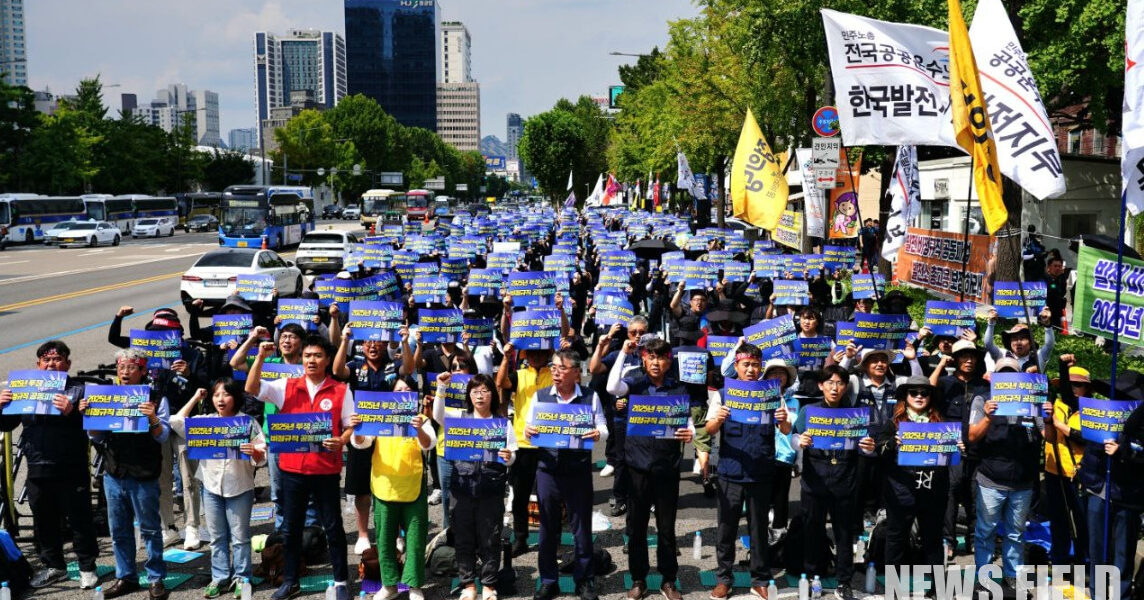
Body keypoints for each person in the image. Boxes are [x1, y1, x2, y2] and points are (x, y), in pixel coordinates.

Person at [246, 335, 355, 600]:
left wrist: (341, 439)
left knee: (333, 526)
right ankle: (290, 580)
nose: (311, 360)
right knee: (290, 528)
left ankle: (341, 581)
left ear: (327, 360)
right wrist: (260, 356)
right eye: (307, 356)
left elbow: (350, 424)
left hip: (325, 470)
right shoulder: (287, 385)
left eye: (317, 356)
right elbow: (251, 387)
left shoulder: (341, 390)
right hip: (292, 470)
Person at [0, 341, 100, 589]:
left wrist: (73, 413)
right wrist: (1, 407)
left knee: (79, 520)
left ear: (68, 364)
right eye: (46, 360)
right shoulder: (24, 389)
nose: (51, 364)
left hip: (71, 466)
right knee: (44, 521)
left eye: (57, 359)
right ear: (38, 365)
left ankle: (88, 568)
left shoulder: (79, 391)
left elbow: (96, 426)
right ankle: (54, 566)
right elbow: (7, 426)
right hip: (37, 465)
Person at [82, 349, 172, 600]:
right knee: (119, 530)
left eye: (131, 367)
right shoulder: (106, 396)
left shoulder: (156, 397)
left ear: (143, 371)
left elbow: (163, 435)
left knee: (150, 530)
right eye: (121, 367)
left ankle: (155, 578)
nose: (124, 371)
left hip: (144, 473)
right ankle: (126, 576)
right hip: (114, 472)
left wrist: (152, 417)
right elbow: (96, 436)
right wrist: (89, 416)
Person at [606, 338, 692, 600]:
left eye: (661, 358)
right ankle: (638, 578)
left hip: (667, 467)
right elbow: (612, 387)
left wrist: (688, 432)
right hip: (637, 466)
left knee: (666, 528)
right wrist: (623, 352)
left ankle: (668, 580)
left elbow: (686, 420)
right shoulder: (635, 383)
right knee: (637, 527)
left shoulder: (677, 388)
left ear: (669, 361)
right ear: (644, 359)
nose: (656, 363)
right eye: (651, 357)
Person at [704, 348, 793, 599]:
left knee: (758, 530)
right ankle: (724, 579)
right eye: (746, 365)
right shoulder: (724, 394)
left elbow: (786, 430)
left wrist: (783, 418)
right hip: (730, 473)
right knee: (726, 529)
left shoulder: (771, 394)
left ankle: (760, 579)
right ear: (737, 366)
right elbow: (709, 429)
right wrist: (718, 419)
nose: (751, 370)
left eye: (756, 365)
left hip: (761, 472)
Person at [170, 380, 266, 599]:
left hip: (240, 487)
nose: (221, 400)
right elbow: (175, 422)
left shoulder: (248, 423)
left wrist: (255, 453)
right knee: (217, 537)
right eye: (216, 395)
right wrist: (196, 398)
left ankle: (242, 578)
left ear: (236, 397)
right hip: (211, 488)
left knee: (240, 537)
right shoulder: (205, 422)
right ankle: (220, 577)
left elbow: (261, 455)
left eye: (226, 394)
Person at [526, 350, 607, 600]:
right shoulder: (540, 397)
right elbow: (529, 428)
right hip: (548, 469)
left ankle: (584, 579)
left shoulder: (590, 397)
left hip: (577, 469)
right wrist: (529, 431)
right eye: (554, 367)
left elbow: (603, 428)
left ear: (576, 372)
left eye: (561, 368)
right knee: (548, 527)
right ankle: (549, 580)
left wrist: (597, 434)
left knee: (581, 526)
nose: (556, 371)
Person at [967, 359, 1052, 596]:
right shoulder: (983, 399)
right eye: (1002, 374)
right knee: (985, 531)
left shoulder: (1033, 400)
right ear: (995, 377)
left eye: (1012, 374)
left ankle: (1013, 574)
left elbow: (1050, 437)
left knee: (1016, 533)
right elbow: (972, 436)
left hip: (1023, 481)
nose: (1007, 378)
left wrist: (1047, 418)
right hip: (991, 479)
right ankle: (983, 575)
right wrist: (988, 417)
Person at [349, 375, 435, 600]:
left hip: (413, 487)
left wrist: (419, 430)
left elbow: (429, 444)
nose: (403, 393)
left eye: (407, 390)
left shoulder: (421, 419)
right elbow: (361, 443)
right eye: (398, 390)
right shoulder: (379, 418)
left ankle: (414, 586)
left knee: (415, 539)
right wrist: (358, 428)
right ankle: (389, 585)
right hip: (384, 486)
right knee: (385, 539)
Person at [432, 373, 517, 600]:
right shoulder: (460, 419)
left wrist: (508, 456)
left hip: (491, 490)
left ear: (492, 394)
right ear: (469, 395)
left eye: (485, 391)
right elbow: (438, 415)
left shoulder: (501, 423)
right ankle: (468, 584)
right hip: (462, 488)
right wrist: (441, 387)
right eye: (475, 391)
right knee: (463, 538)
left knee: (491, 538)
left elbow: (512, 454)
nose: (480, 396)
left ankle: (489, 584)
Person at [333, 321, 415, 555]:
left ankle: (397, 533)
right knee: (361, 488)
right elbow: (338, 371)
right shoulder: (355, 364)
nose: (372, 346)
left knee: (392, 483)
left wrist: (405, 342)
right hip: (361, 433)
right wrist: (344, 340)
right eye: (368, 341)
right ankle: (362, 534)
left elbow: (408, 370)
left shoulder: (392, 364)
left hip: (391, 434)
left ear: (383, 343)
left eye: (377, 341)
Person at [793, 365, 874, 600]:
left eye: (839, 383)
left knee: (844, 535)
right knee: (812, 531)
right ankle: (810, 577)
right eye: (830, 383)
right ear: (821, 385)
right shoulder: (808, 411)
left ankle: (843, 581)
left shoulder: (855, 413)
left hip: (845, 482)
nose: (834, 388)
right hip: (814, 481)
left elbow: (865, 446)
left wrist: (868, 448)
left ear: (845, 386)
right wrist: (801, 441)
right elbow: (794, 438)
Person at [873, 376, 951, 588]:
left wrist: (956, 448)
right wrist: (891, 444)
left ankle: (937, 587)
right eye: (913, 393)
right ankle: (893, 585)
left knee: (932, 540)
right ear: (905, 397)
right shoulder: (893, 423)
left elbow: (948, 459)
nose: (919, 397)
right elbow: (878, 451)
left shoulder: (941, 424)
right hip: (901, 492)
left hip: (933, 490)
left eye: (924, 393)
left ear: (930, 397)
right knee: (896, 538)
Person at [928, 340, 987, 561]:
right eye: (964, 356)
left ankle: (974, 539)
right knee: (950, 496)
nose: (969, 360)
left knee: (975, 497)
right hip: (950, 451)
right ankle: (948, 542)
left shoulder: (984, 385)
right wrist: (942, 363)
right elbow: (929, 388)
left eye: (972, 356)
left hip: (977, 450)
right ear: (957, 359)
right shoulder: (945, 382)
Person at [1043, 354, 1089, 567]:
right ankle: (1059, 559)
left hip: (1080, 474)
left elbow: (1085, 439)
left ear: (1086, 388)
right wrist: (1048, 421)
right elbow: (1048, 437)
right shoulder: (1054, 405)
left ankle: (1084, 560)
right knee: (1058, 520)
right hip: (1055, 472)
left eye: (1078, 385)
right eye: (1068, 384)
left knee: (1082, 521)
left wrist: (1061, 425)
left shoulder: (1092, 411)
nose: (1073, 389)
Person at [984, 308, 1055, 373]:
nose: (1018, 342)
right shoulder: (1002, 354)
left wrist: (1047, 325)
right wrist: (991, 323)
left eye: (1023, 338)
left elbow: (1049, 345)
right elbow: (988, 344)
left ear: (1031, 342)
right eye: (1014, 339)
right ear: (1010, 342)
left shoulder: (1038, 356)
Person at [1043, 251, 1070, 329]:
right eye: (1055, 266)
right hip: (1046, 313)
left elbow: (1062, 293)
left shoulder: (1061, 279)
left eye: (1059, 266)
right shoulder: (1044, 279)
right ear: (1049, 267)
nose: (1057, 268)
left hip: (1057, 314)